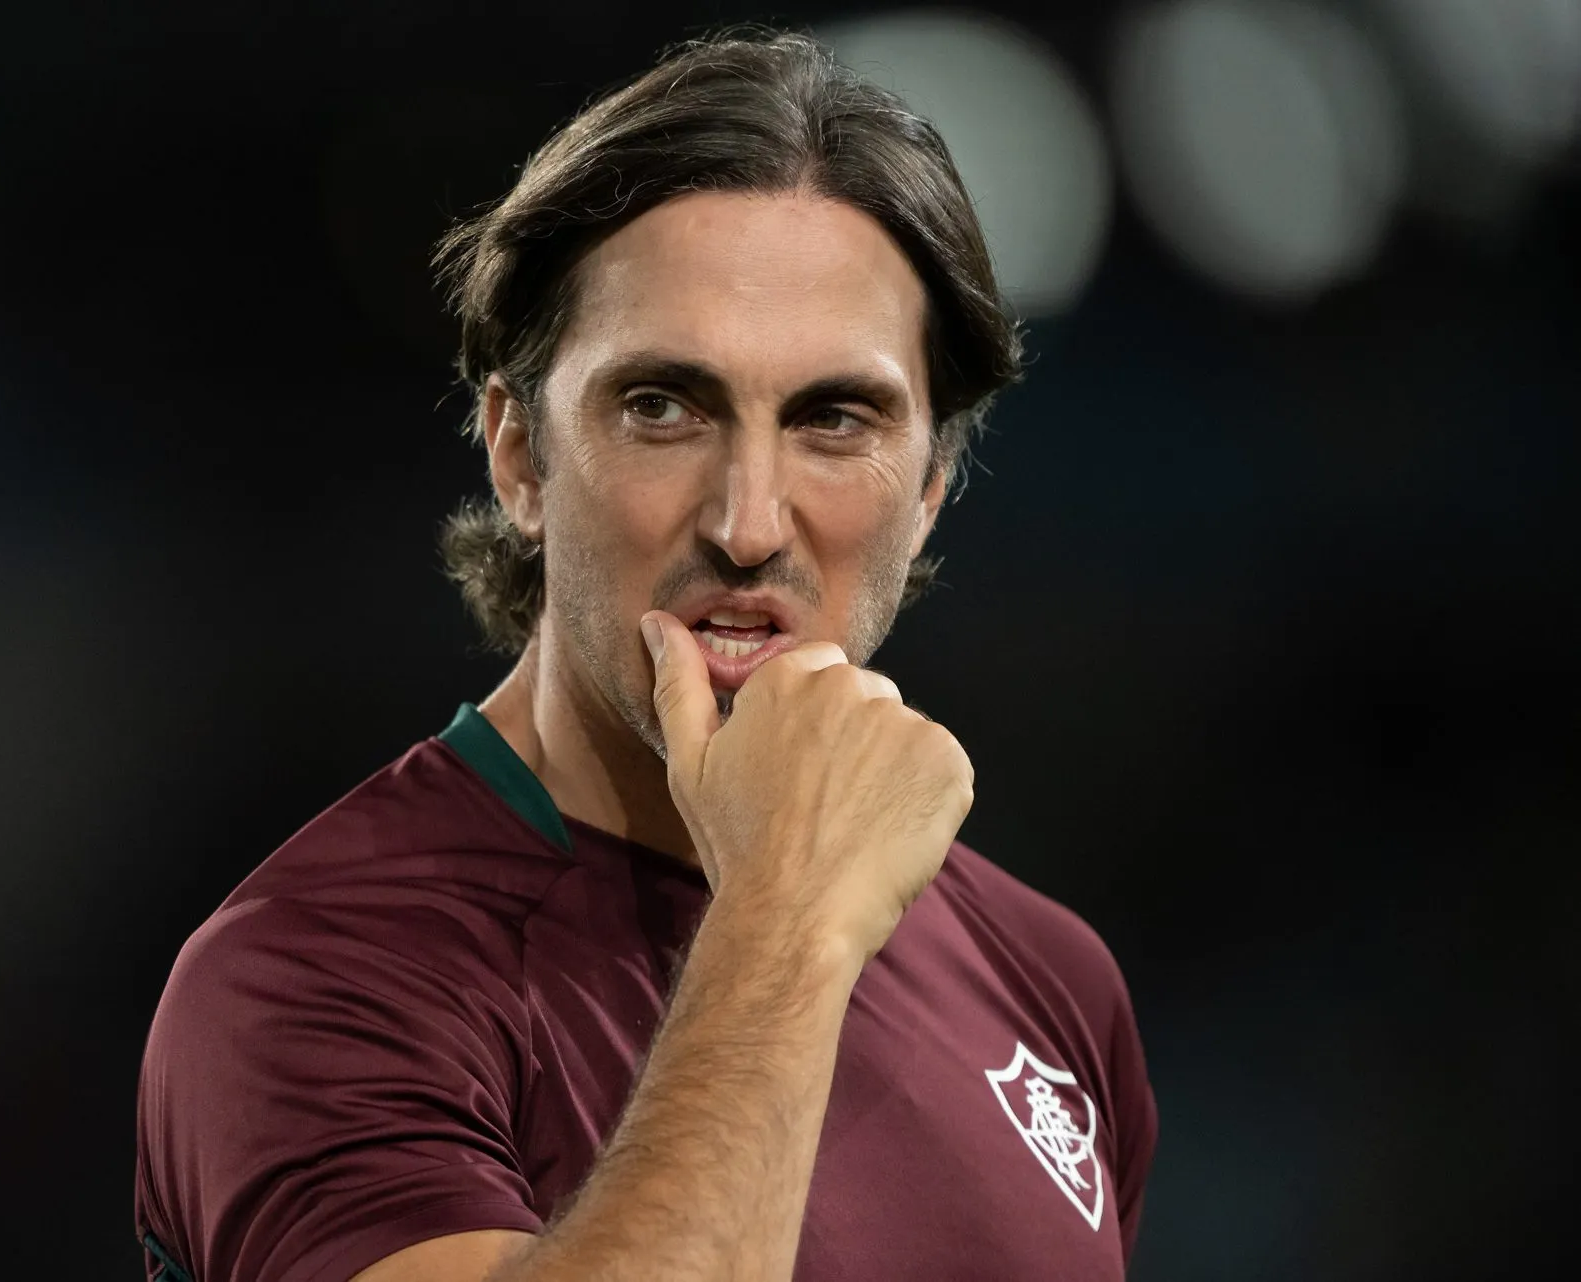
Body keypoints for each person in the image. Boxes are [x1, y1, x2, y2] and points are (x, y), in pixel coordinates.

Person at [134, 29, 1156, 1282]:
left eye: (836, 420)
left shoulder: (1051, 980)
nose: (748, 523)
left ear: (934, 485)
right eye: (663, 406)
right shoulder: (311, 977)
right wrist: (787, 916)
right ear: (519, 454)